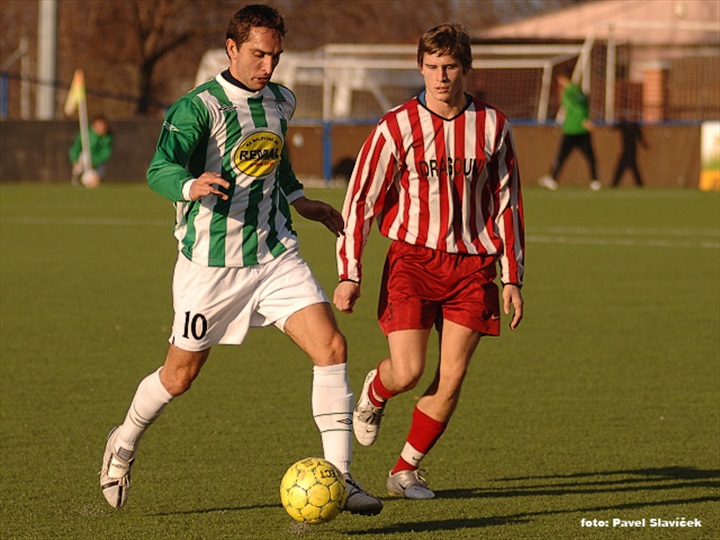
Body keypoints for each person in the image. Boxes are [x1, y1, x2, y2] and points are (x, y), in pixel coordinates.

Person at [99, 4, 382, 516]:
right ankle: (123, 441)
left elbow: (275, 160)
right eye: (258, 54)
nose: (267, 66)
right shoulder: (198, 108)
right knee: (179, 376)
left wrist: (300, 202)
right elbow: (157, 168)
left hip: (274, 253)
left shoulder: (281, 100)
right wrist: (190, 183)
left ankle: (340, 477)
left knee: (332, 346)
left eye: (275, 55)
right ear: (232, 49)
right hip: (211, 266)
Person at [334, 23, 525, 499]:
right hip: (413, 261)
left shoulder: (493, 126)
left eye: (451, 67)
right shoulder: (395, 125)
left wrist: (512, 279)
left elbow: (508, 203)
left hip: (474, 266)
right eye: (433, 67)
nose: (441, 77)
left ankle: (405, 470)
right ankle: (376, 393)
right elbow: (361, 199)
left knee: (453, 374)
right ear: (420, 66)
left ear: (466, 68)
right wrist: (349, 272)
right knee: (409, 371)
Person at [539, 69, 601, 191]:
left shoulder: (567, 92)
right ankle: (595, 181)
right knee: (590, 157)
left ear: (562, 78)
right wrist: (585, 119)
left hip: (572, 128)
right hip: (583, 130)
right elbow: (584, 105)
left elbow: (573, 108)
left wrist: (581, 120)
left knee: (561, 156)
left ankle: (552, 179)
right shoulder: (580, 90)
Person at [69, 114, 113, 186]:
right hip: (82, 160)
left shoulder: (108, 137)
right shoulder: (85, 134)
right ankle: (78, 177)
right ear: (94, 125)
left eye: (104, 124)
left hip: (97, 163)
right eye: (100, 124)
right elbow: (75, 148)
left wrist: (93, 161)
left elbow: (106, 153)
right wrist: (75, 161)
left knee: (95, 181)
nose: (103, 127)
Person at [611, 113, 647, 187]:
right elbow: (615, 127)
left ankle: (614, 184)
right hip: (626, 150)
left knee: (624, 168)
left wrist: (644, 144)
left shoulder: (634, 126)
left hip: (631, 151)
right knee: (632, 168)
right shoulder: (624, 126)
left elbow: (640, 138)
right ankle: (640, 184)